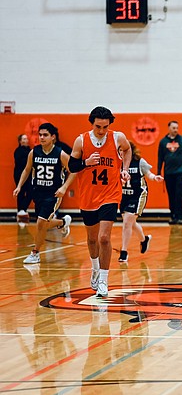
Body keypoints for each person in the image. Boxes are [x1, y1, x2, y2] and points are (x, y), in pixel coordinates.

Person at [68, 106, 131, 297]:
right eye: (98, 127)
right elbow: (71, 166)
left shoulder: (117, 138)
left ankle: (104, 280)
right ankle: (95, 268)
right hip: (88, 196)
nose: (102, 131)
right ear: (92, 123)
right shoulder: (81, 140)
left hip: (110, 194)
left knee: (104, 238)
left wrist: (124, 169)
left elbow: (128, 151)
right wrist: (86, 163)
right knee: (92, 239)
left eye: (105, 127)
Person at [13, 123, 75, 264]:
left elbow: (73, 171)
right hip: (38, 192)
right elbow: (27, 170)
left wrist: (64, 187)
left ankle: (35, 253)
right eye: (40, 135)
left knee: (41, 223)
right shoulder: (34, 152)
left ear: (53, 137)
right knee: (42, 223)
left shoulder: (60, 153)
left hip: (53, 194)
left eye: (45, 135)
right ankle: (63, 222)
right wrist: (19, 186)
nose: (41, 137)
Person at [118, 141, 164, 263]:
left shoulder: (139, 162)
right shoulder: (117, 163)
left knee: (127, 222)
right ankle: (144, 240)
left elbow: (148, 174)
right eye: (120, 150)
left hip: (138, 195)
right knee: (131, 223)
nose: (121, 152)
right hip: (124, 196)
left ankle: (124, 252)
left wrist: (155, 177)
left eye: (123, 150)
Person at [157, 120, 182, 225]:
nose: (175, 130)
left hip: (180, 172)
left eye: (177, 128)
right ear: (169, 128)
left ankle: (180, 216)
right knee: (171, 195)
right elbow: (160, 158)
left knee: (179, 194)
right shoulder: (163, 142)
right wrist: (159, 172)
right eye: (173, 128)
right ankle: (172, 216)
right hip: (168, 172)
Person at [14, 134, 33, 222]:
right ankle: (20, 211)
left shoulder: (30, 150)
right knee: (21, 192)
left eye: (27, 138)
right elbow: (21, 162)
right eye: (24, 139)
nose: (26, 140)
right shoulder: (18, 151)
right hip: (19, 174)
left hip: (29, 175)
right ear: (20, 141)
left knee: (30, 192)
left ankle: (23, 209)